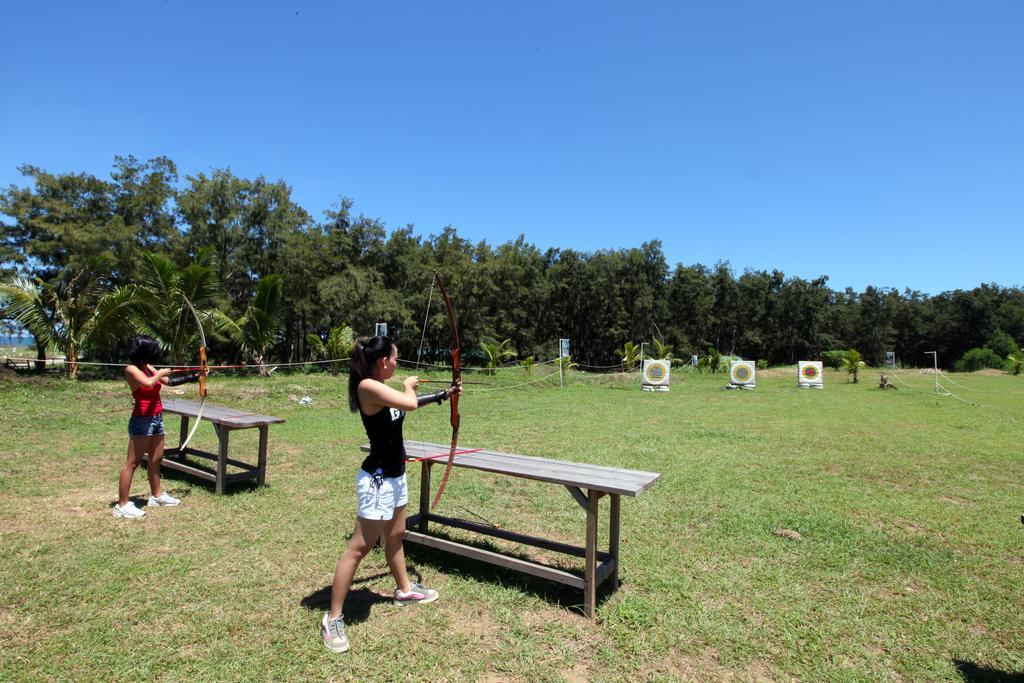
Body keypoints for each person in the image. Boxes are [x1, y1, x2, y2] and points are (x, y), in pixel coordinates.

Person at [322, 335, 460, 653]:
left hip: (396, 477)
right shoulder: (367, 387)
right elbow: (408, 400)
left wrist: (444, 394)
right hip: (378, 481)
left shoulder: (382, 389)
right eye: (396, 359)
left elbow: (404, 407)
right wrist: (410, 386)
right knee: (359, 548)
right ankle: (333, 617)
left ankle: (405, 590)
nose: (398, 365)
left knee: (396, 535)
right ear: (383, 362)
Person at [114, 335, 203, 518]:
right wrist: (160, 373)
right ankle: (122, 505)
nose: (157, 351)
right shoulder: (131, 369)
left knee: (156, 459)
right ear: (144, 350)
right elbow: (148, 383)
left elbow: (169, 382)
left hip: (156, 418)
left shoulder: (148, 368)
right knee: (133, 462)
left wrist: (196, 376)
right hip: (142, 420)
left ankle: (157, 496)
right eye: (153, 348)